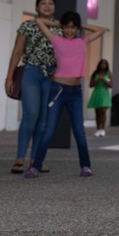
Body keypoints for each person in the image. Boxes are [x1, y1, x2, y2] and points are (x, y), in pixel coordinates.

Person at [25, 11, 106, 179]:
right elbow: (40, 21)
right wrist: (60, 25)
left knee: (79, 132)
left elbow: (100, 30)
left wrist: (80, 25)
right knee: (49, 130)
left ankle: (86, 166)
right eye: (67, 27)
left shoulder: (82, 40)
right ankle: (35, 166)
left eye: (72, 27)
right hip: (58, 91)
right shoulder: (56, 40)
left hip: (75, 92)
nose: (69, 30)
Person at [5, 0, 57, 174]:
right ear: (36, 7)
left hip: (51, 76)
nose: (47, 6)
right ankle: (20, 157)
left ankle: (36, 160)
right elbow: (17, 51)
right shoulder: (27, 25)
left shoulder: (59, 28)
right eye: (43, 3)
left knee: (43, 119)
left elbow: (66, 54)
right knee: (31, 115)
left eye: (51, 3)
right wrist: (9, 76)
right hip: (31, 72)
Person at [87, 59, 112, 137]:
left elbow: (111, 85)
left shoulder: (109, 73)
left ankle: (103, 129)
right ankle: (98, 128)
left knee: (103, 111)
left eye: (105, 64)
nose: (103, 65)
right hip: (97, 92)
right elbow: (91, 85)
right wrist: (97, 80)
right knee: (97, 111)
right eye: (102, 64)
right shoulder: (95, 73)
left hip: (104, 93)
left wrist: (103, 79)